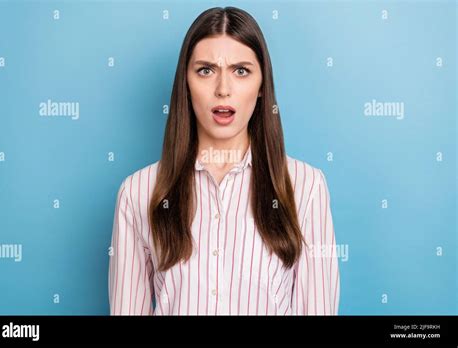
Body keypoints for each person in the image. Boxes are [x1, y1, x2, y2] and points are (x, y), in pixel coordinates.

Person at [108, 6, 340, 315]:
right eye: (205, 70)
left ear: (261, 87)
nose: (223, 89)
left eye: (241, 70)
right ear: (185, 84)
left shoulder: (305, 187)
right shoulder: (138, 193)